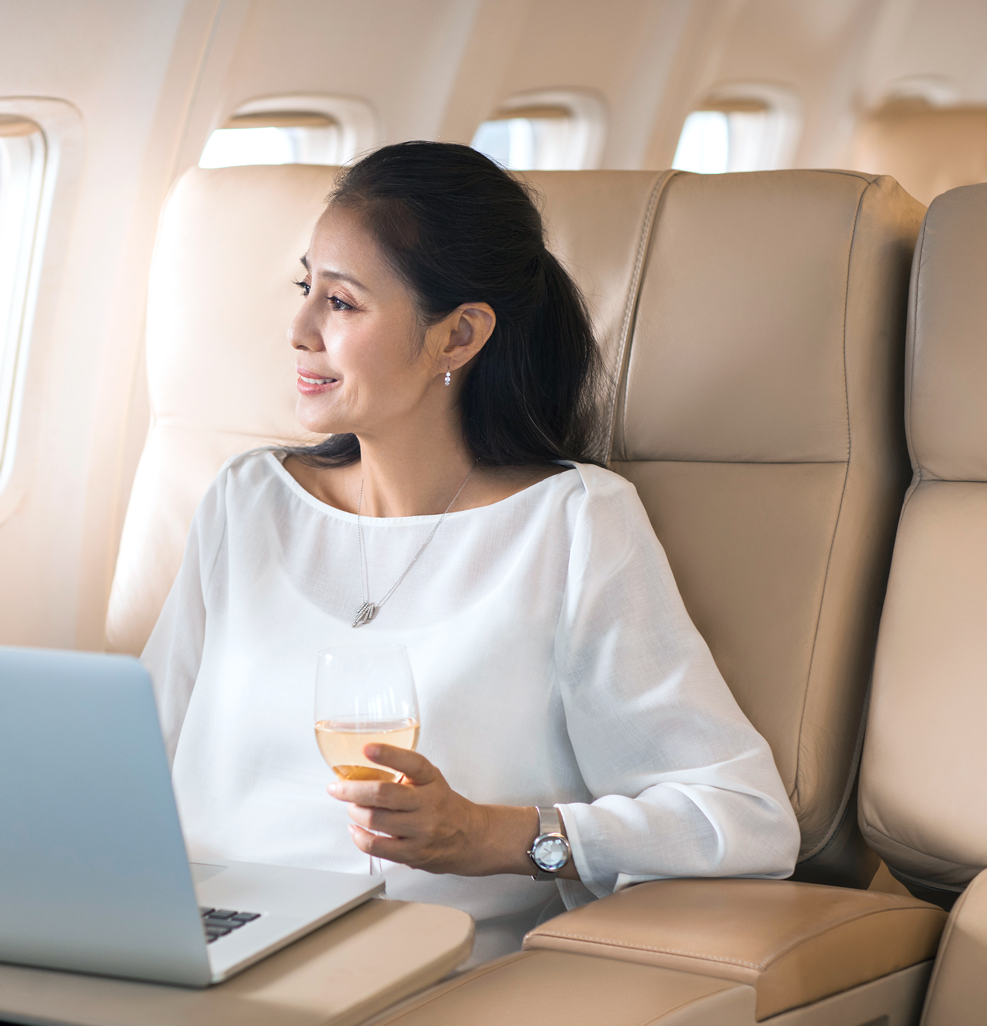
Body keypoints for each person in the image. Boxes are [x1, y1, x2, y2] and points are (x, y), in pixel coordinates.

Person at [142, 141, 799, 963]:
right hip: (196, 942)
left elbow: (744, 819)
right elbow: (136, 757)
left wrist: (494, 836)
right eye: (305, 289)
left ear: (458, 335)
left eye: (341, 303)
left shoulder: (572, 526)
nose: (300, 330)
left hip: (408, 967)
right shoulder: (246, 502)